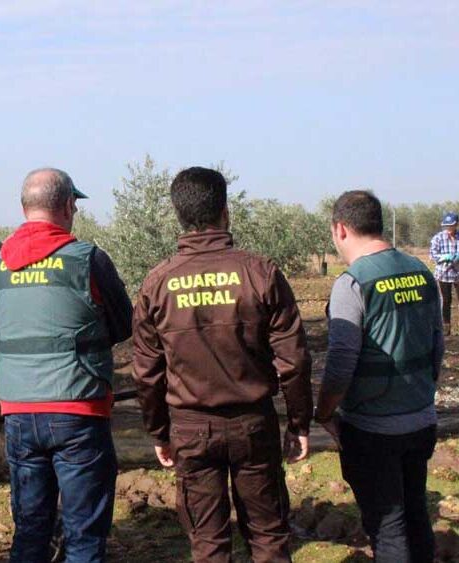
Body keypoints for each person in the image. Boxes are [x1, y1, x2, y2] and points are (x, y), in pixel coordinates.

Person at [132, 167, 312, 563]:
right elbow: (294, 358)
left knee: (209, 545)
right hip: (254, 425)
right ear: (225, 211)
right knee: (268, 538)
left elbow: (146, 371)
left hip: (191, 429)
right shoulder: (260, 272)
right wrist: (299, 423)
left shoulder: (157, 282)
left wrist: (160, 432)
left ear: (179, 215)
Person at [0, 168, 132, 563]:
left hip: (17, 411)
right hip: (78, 409)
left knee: (31, 530)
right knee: (83, 535)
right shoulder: (88, 260)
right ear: (68, 206)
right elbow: (123, 324)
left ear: (24, 207)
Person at [315, 190, 443, 562]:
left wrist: (324, 413)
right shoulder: (421, 273)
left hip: (373, 429)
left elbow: (341, 363)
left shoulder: (352, 283)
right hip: (421, 420)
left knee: (387, 527)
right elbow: (436, 347)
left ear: (340, 229)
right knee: (417, 514)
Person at [430, 211, 459, 335]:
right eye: (446, 226)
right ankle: (446, 329)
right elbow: (432, 255)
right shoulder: (438, 238)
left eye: (451, 225)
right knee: (446, 301)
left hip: (458, 274)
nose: (448, 228)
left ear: (456, 224)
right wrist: (445, 257)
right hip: (444, 275)